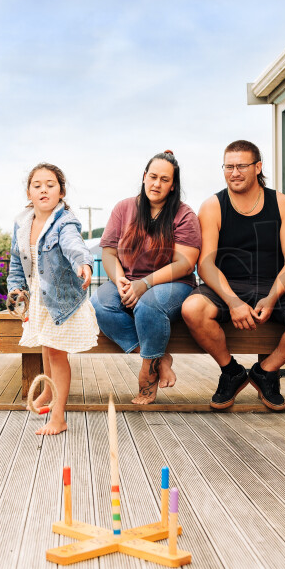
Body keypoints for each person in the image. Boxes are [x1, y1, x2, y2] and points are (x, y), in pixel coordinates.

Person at [182, 140, 285, 411]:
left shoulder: (282, 203)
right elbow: (205, 265)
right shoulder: (213, 206)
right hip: (227, 286)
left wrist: (272, 296)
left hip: (275, 285)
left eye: (241, 166)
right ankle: (231, 372)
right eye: (228, 166)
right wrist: (233, 302)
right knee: (192, 308)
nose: (234, 172)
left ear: (258, 167)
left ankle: (265, 371)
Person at [91, 150, 202, 404]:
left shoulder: (185, 215)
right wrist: (119, 279)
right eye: (153, 177)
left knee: (148, 305)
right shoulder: (123, 208)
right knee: (99, 304)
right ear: (144, 177)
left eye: (165, 179)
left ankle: (146, 377)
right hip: (129, 279)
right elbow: (108, 252)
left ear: (173, 185)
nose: (157, 184)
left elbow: (185, 264)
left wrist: (145, 284)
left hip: (173, 284)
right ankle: (159, 358)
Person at [7, 163, 98, 435]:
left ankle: (58, 417)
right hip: (38, 296)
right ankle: (47, 390)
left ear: (61, 191)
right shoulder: (22, 223)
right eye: (37, 185)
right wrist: (15, 289)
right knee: (46, 346)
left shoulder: (65, 221)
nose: (44, 189)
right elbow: (16, 260)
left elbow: (74, 245)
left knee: (57, 354)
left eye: (50, 184)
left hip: (61, 297)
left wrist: (84, 263)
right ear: (29, 192)